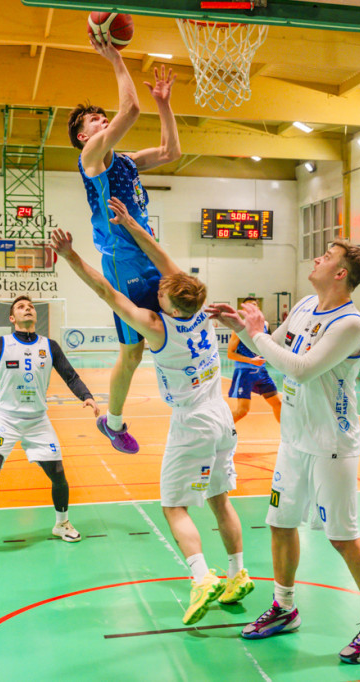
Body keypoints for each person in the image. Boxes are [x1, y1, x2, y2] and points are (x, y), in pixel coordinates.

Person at [52, 200, 254, 626]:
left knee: (173, 507)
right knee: (219, 499)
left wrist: (71, 257)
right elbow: (165, 262)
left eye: (162, 289)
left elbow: (107, 292)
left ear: (167, 302)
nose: (158, 285)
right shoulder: (200, 311)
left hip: (193, 423)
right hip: (220, 416)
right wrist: (132, 225)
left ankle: (202, 578)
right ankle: (238, 574)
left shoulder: (156, 325)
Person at [208, 240, 360, 664]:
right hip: (294, 441)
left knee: (341, 537)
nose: (317, 258)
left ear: (340, 273)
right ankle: (284, 607)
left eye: (327, 256)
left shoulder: (350, 324)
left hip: (331, 444)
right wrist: (242, 327)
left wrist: (255, 333)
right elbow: (268, 348)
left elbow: (301, 367)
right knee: (279, 522)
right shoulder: (304, 306)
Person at [68, 32, 180, 456]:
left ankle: (173, 409)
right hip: (122, 262)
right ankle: (113, 423)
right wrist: (115, 58)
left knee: (176, 326)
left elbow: (171, 151)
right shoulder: (91, 158)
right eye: (93, 121)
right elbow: (130, 108)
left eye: (102, 117)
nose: (101, 121)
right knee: (133, 352)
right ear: (83, 136)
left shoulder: (127, 160)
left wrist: (165, 104)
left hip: (147, 252)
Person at [0, 295, 99, 559]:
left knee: (58, 473)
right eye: (21, 307)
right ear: (12, 318)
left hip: (38, 420)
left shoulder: (49, 346)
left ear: (35, 316)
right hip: (5, 420)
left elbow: (70, 375)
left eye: (31, 307)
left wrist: (86, 395)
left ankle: (61, 523)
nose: (28, 309)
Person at [227, 299, 282, 424]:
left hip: (261, 371)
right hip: (245, 372)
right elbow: (230, 354)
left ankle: (288, 437)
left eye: (255, 305)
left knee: (278, 404)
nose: (253, 307)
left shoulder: (265, 325)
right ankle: (218, 431)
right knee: (242, 411)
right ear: (244, 310)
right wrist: (251, 360)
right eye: (249, 306)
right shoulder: (239, 328)